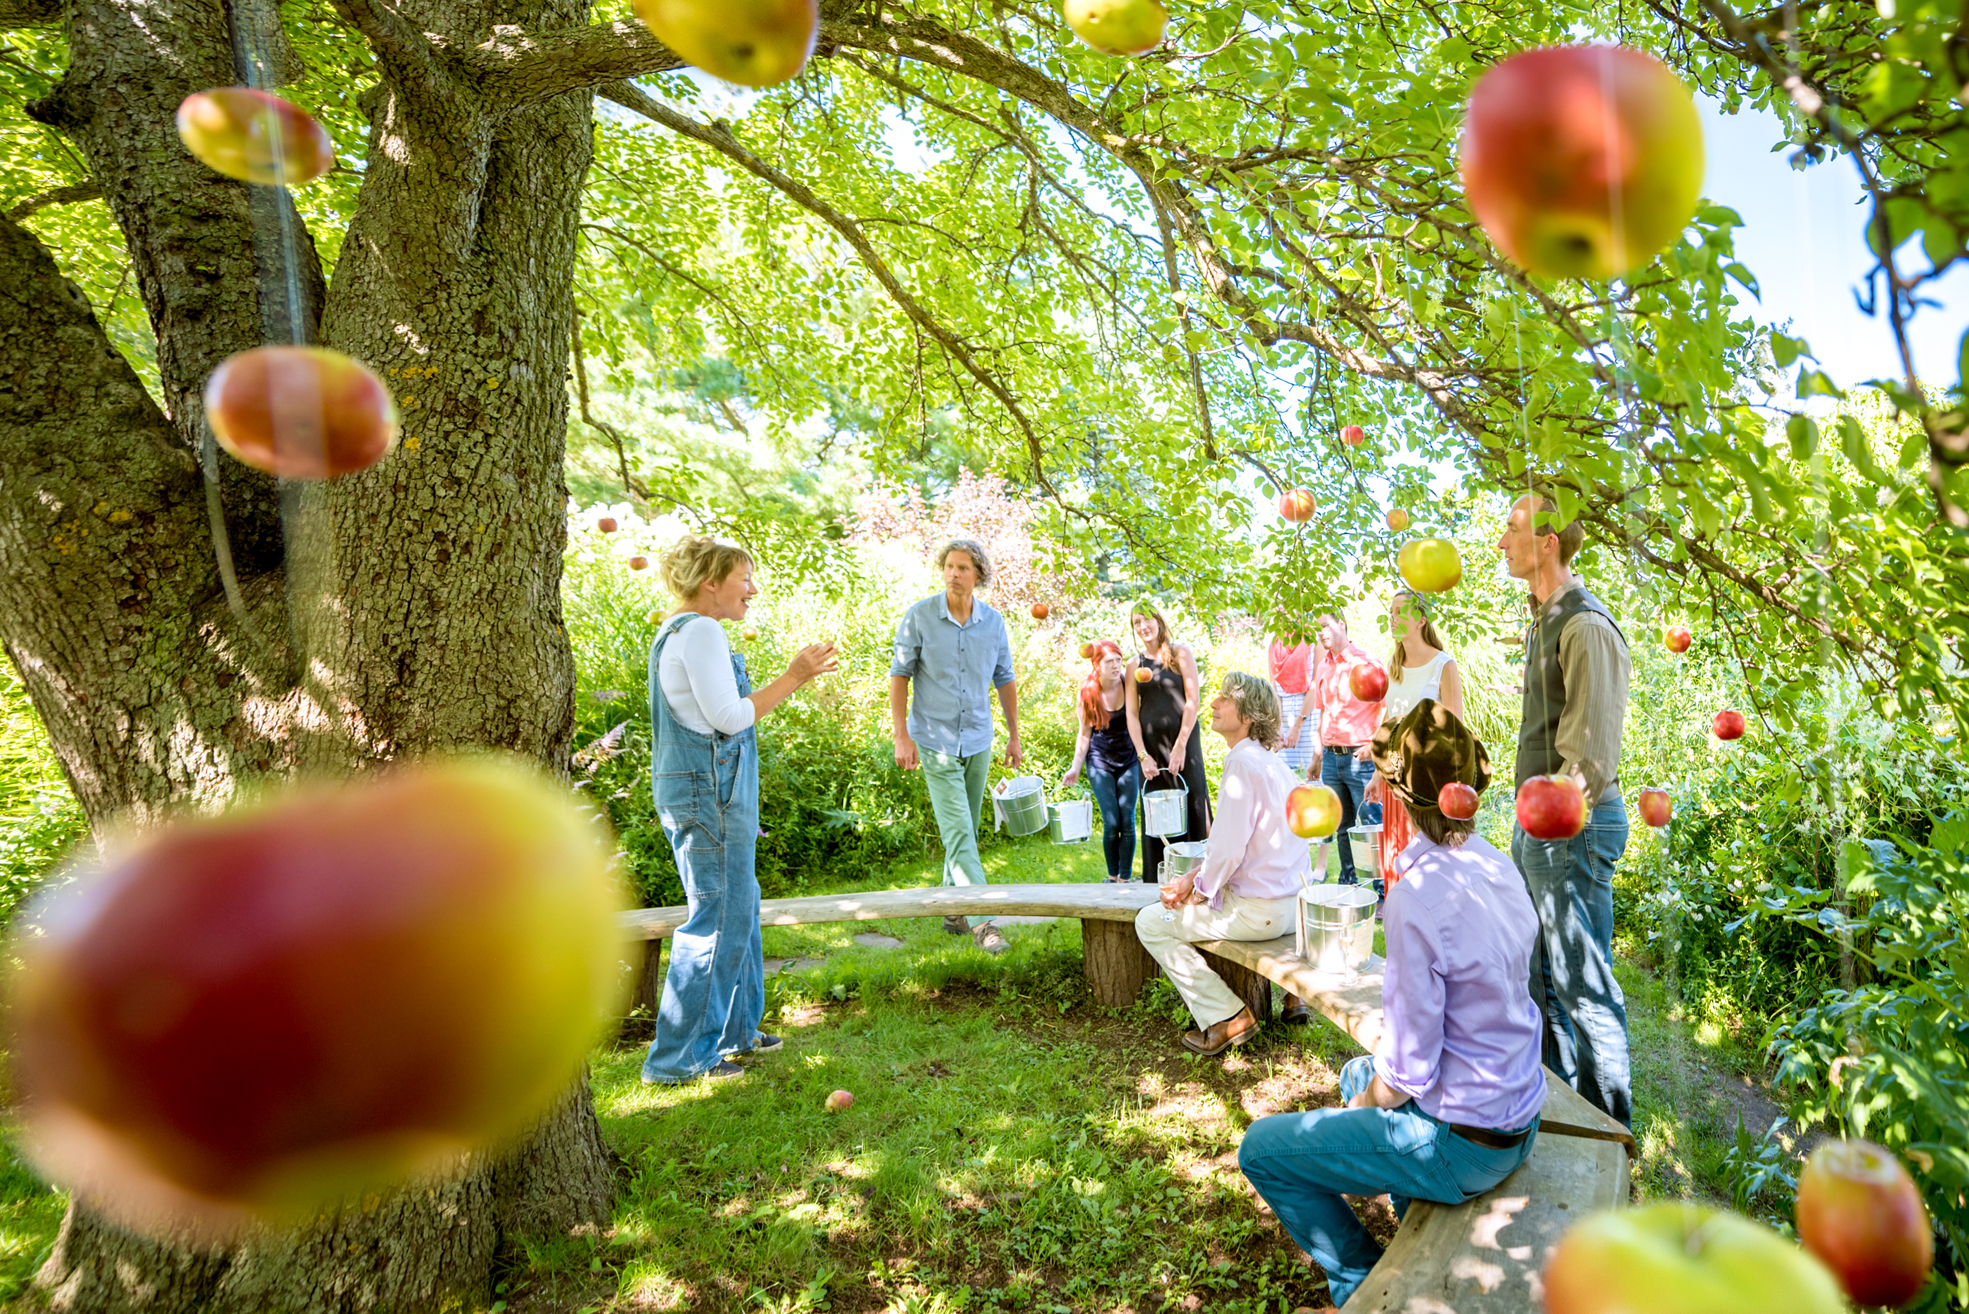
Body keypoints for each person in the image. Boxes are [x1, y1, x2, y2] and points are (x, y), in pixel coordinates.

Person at [1238, 699, 1543, 1310]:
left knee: (1263, 1151)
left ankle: (1363, 1283)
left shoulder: (1416, 896)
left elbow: (1406, 1073)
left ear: (1401, 798)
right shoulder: (1498, 864)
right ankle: (1410, 1222)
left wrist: (1359, 1107)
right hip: (1518, 1113)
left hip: (1465, 1143)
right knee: (1357, 1067)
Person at [641, 537, 838, 1085]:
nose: (752, 589)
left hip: (701, 789)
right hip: (710, 793)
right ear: (711, 582)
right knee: (717, 919)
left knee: (739, 906)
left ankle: (735, 1032)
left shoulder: (674, 630)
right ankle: (679, 1059)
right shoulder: (702, 629)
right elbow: (729, 718)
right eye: (743, 577)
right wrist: (795, 674)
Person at [1497, 493, 1634, 1128]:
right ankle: (1559, 1119)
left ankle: (1609, 1139)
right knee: (1540, 980)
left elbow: (1588, 758)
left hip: (1572, 829)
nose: (1502, 540)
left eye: (1512, 528)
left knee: (1584, 989)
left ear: (1547, 541)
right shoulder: (1541, 617)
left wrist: (1545, 828)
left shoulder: (1584, 624)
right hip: (1542, 828)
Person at [1134, 672, 1309, 1055]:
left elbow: (1229, 852)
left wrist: (1198, 891)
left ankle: (1226, 1017)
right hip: (1290, 908)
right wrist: (1194, 879)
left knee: (1150, 922)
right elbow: (1244, 849)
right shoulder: (1275, 765)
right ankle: (1271, 1004)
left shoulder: (1242, 764)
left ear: (1247, 715)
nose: (1212, 703)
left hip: (1259, 914)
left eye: (1225, 698)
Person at [891, 539, 1021, 956]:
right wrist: (901, 734)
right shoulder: (920, 617)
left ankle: (952, 910)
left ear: (978, 575)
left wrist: (1014, 734)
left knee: (962, 828)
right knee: (960, 830)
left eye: (963, 567)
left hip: (978, 738)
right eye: (949, 566)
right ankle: (985, 924)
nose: (953, 573)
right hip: (933, 740)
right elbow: (899, 675)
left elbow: (1004, 678)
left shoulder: (993, 622)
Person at [1371, 592, 1466, 893]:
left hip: (1426, 781)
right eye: (1391, 611)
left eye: (1401, 611)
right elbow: (1388, 722)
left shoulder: (1443, 665)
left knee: (1427, 857)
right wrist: (1376, 774)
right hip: (1393, 776)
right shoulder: (1393, 667)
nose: (1393, 617)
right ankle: (1401, 917)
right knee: (1396, 853)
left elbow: (1455, 731)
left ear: (1422, 620)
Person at [1125, 600, 1212, 882]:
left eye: (1146, 620)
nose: (1142, 626)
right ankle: (1158, 883)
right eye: (1136, 623)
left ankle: (1202, 879)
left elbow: (1192, 701)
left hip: (1185, 746)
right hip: (1150, 752)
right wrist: (1142, 756)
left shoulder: (1180, 654)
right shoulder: (1133, 665)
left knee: (1194, 804)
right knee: (1157, 815)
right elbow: (1131, 714)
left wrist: (1180, 744)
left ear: (1159, 621)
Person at [1309, 611, 1384, 888]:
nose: (1322, 632)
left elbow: (1385, 708)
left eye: (1326, 626)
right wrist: (1317, 758)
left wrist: (1374, 745)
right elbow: (1322, 714)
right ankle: (1349, 884)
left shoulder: (1365, 663)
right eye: (1318, 629)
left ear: (1341, 625)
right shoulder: (1322, 668)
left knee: (1369, 825)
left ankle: (1380, 890)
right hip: (1330, 758)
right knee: (1342, 826)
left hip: (1361, 758)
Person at [1062, 640, 1140, 883]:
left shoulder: (1129, 684)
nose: (1117, 665)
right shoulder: (1088, 693)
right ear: (1097, 665)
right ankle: (1112, 876)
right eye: (1110, 661)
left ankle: (1125, 880)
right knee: (1111, 821)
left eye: (1119, 659)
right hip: (1100, 761)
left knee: (1127, 821)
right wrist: (1075, 767)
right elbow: (1084, 735)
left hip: (1128, 758)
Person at [1270, 631, 1318, 779]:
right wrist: (1277, 727)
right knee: (1286, 778)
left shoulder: (1313, 637)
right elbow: (1273, 687)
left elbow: (1316, 686)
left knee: (1311, 778)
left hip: (1308, 717)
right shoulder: (1274, 641)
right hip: (1283, 718)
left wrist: (1297, 727)